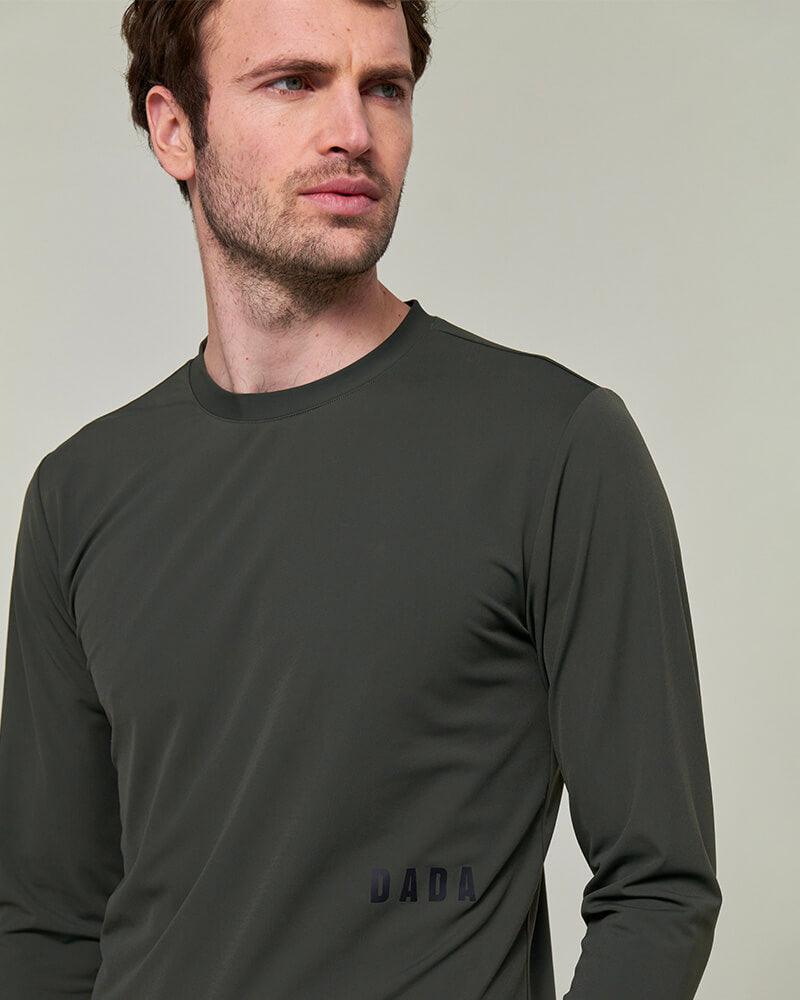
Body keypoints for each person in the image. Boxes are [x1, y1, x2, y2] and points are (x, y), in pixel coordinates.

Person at [0, 0, 722, 997]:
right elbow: (45, 922)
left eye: (384, 88)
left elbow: (659, 887)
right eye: (293, 82)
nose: (353, 130)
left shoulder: (554, 447)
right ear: (175, 129)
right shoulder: (80, 494)